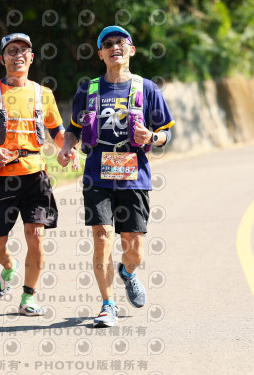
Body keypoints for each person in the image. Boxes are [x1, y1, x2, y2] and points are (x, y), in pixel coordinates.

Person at [58, 25, 175, 327]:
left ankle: (128, 272)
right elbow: (73, 129)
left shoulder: (147, 88)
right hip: (96, 175)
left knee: (133, 248)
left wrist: (152, 136)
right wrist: (68, 147)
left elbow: (166, 133)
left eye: (120, 42)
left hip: (134, 175)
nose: (114, 47)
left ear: (131, 50)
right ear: (100, 54)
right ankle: (107, 305)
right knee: (102, 237)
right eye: (107, 44)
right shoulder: (88, 90)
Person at [0, 33, 67, 316]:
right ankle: (9, 267)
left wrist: (67, 149)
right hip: (1, 176)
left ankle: (28, 298)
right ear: (2, 59)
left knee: (36, 236)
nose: (18, 55)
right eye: (12, 51)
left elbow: (58, 131)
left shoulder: (43, 93)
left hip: (35, 175)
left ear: (31, 57)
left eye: (24, 50)